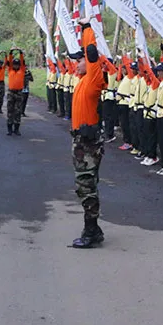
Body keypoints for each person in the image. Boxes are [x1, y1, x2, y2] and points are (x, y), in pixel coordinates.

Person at [68, 22, 107, 248]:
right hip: (80, 141)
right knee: (85, 184)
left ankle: (90, 231)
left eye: (79, 60)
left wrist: (87, 28)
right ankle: (94, 229)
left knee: (86, 186)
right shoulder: (82, 81)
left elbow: (92, 53)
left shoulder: (93, 79)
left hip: (88, 143)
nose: (77, 63)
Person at [5, 49, 30, 135]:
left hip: (19, 93)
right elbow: (9, 62)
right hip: (11, 92)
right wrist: (11, 53)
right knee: (10, 110)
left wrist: (21, 53)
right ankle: (9, 129)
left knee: (18, 111)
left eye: (17, 65)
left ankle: (16, 129)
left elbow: (22, 62)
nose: (16, 66)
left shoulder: (21, 70)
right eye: (14, 65)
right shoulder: (10, 70)